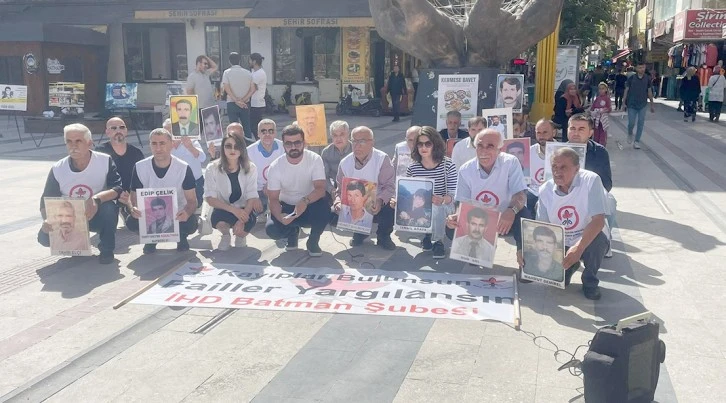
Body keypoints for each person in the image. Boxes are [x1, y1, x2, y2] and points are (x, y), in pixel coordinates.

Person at [38, 124, 122, 264]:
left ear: (89, 143)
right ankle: (74, 246)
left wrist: (96, 199)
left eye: (78, 141)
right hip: (69, 218)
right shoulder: (58, 168)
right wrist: (47, 220)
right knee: (44, 238)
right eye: (69, 141)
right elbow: (45, 201)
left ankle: (106, 250)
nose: (73, 146)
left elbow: (117, 188)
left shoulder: (104, 160)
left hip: (95, 213)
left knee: (109, 209)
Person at [447, 128, 531, 268]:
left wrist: (512, 210)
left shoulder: (510, 162)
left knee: (525, 216)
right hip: (480, 218)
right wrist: (456, 216)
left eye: (490, 146)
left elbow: (520, 194)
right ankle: (476, 250)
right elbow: (462, 203)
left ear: (500, 149)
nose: (484, 151)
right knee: (451, 228)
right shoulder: (465, 169)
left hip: (506, 216)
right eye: (480, 146)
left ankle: (524, 259)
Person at [538, 147, 609, 300]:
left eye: (563, 167)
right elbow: (543, 227)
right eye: (554, 167)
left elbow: (598, 221)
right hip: (561, 240)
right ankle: (570, 266)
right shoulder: (545, 190)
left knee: (598, 242)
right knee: (557, 281)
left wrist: (578, 247)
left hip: (589, 236)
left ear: (577, 169)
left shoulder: (591, 180)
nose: (557, 172)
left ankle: (590, 281)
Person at [127, 128, 199, 253]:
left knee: (191, 222)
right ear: (150, 145)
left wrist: (187, 213)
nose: (158, 148)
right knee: (131, 221)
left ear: (171, 144)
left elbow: (192, 201)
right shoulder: (140, 167)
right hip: (149, 215)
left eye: (162, 143)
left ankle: (181, 237)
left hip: (177, 214)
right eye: (154, 144)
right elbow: (133, 197)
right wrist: (133, 208)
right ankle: (150, 239)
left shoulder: (183, 168)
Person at [265, 125, 330, 256]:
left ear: (304, 143)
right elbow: (273, 199)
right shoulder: (275, 167)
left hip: (310, 204)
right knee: (272, 230)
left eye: (297, 142)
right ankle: (292, 233)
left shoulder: (314, 159)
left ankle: (313, 241)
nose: (293, 147)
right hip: (287, 206)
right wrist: (281, 217)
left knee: (325, 208)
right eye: (289, 143)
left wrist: (305, 201)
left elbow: (320, 189)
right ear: (283, 145)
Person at [334, 126, 396, 250]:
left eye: (362, 141)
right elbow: (339, 189)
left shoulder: (381, 159)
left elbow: (389, 186)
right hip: (354, 202)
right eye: (354, 141)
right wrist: (338, 202)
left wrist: (379, 201)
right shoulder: (345, 163)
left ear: (372, 142)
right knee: (327, 212)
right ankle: (359, 232)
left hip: (377, 201)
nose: (357, 145)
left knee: (391, 205)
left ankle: (384, 236)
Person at [403, 126, 457, 259]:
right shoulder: (413, 168)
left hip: (445, 205)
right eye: (420, 144)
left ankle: (438, 241)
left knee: (436, 206)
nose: (423, 147)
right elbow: (410, 192)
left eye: (428, 144)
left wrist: (443, 199)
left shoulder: (448, 165)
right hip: (422, 205)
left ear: (435, 144)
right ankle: (426, 235)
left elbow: (454, 194)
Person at [204, 133, 260, 251]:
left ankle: (240, 235)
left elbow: (252, 196)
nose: (233, 150)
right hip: (223, 208)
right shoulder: (212, 168)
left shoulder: (251, 168)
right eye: (228, 146)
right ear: (223, 148)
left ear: (242, 148)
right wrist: (234, 210)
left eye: (237, 146)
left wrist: (241, 219)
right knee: (219, 219)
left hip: (245, 209)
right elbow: (210, 199)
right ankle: (225, 235)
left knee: (243, 229)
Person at [96, 117, 144, 206]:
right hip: (108, 199)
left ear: (126, 131)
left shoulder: (137, 153)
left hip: (132, 198)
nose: (118, 131)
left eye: (122, 127)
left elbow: (142, 179)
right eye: (114, 128)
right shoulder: (99, 152)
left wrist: (132, 197)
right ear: (107, 132)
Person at [164, 119, 206, 208]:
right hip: (175, 184)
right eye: (166, 132)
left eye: (171, 131)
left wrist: (190, 147)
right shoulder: (164, 146)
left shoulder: (191, 141)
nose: (169, 135)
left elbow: (202, 158)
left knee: (195, 206)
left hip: (195, 182)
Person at [246, 119, 284, 213]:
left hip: (280, 189)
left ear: (275, 133)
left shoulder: (284, 148)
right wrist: (254, 197)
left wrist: (271, 184)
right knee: (254, 212)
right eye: (263, 131)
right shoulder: (249, 152)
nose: (267, 134)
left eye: (271, 131)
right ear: (258, 134)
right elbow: (246, 178)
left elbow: (288, 172)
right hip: (258, 192)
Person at [222, 52, 255, 142]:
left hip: (231, 103)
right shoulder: (248, 73)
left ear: (229, 61)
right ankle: (248, 144)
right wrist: (243, 100)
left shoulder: (227, 73)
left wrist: (236, 100)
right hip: (245, 103)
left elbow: (226, 88)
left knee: (233, 128)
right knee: (246, 126)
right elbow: (253, 89)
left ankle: (235, 144)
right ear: (240, 60)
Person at [622, 62, 655, 150]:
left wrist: (652, 104)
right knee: (631, 122)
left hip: (642, 104)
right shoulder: (632, 78)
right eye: (640, 67)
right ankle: (630, 133)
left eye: (643, 67)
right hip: (631, 104)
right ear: (636, 69)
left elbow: (649, 92)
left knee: (640, 123)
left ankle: (637, 141)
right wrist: (623, 103)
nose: (642, 69)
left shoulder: (647, 79)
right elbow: (626, 90)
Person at [527, 119, 557, 212]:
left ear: (554, 132)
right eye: (538, 133)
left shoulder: (562, 151)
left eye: (545, 132)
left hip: (554, 192)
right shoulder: (528, 151)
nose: (541, 136)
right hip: (532, 193)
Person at [321, 120, 352, 201]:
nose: (338, 139)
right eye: (335, 135)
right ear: (331, 136)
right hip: (336, 186)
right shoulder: (326, 152)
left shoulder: (355, 150)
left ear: (348, 134)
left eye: (342, 134)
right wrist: (332, 190)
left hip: (355, 186)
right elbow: (324, 176)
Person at [249, 53, 267, 140]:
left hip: (257, 104)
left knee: (255, 128)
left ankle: (261, 141)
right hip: (254, 103)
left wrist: (244, 98)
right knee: (253, 126)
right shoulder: (254, 72)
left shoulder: (260, 73)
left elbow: (253, 89)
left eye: (250, 60)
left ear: (254, 61)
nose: (249, 62)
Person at [590, 83, 612, 147]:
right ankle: (596, 144)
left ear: (606, 89)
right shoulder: (597, 98)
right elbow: (593, 107)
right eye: (600, 89)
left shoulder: (607, 98)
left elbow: (609, 108)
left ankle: (602, 144)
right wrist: (592, 112)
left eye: (603, 89)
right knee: (596, 131)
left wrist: (605, 110)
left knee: (603, 132)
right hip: (596, 118)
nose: (601, 90)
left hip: (603, 118)